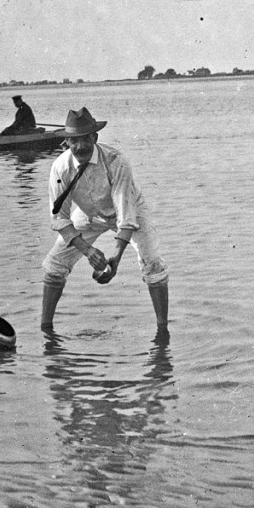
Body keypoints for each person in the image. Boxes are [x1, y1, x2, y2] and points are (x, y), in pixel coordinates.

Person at [39, 108, 169, 341]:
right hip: (89, 214)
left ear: (95, 137)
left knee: (153, 263)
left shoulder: (116, 161)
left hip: (129, 209)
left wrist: (115, 258)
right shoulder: (60, 167)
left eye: (85, 139)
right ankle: (46, 331)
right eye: (74, 141)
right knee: (54, 265)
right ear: (67, 142)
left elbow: (125, 214)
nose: (80, 147)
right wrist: (87, 250)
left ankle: (163, 334)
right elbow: (59, 217)